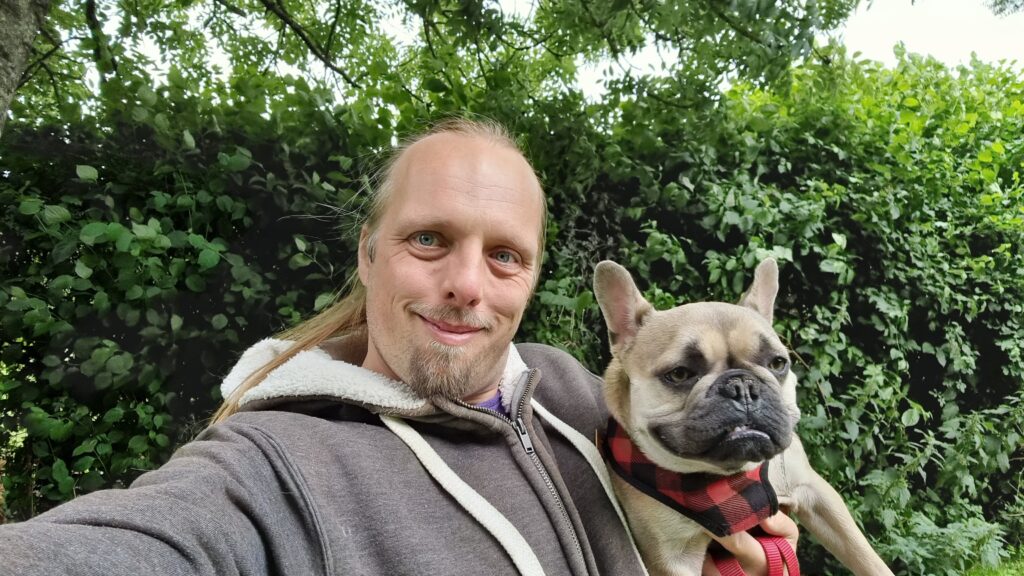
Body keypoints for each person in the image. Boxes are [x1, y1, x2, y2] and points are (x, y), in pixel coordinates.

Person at [0, 118, 797, 575]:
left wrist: (756, 541)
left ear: (531, 279)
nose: (467, 284)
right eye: (428, 239)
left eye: (505, 255)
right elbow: (142, 544)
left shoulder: (575, 389)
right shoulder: (273, 462)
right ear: (367, 253)